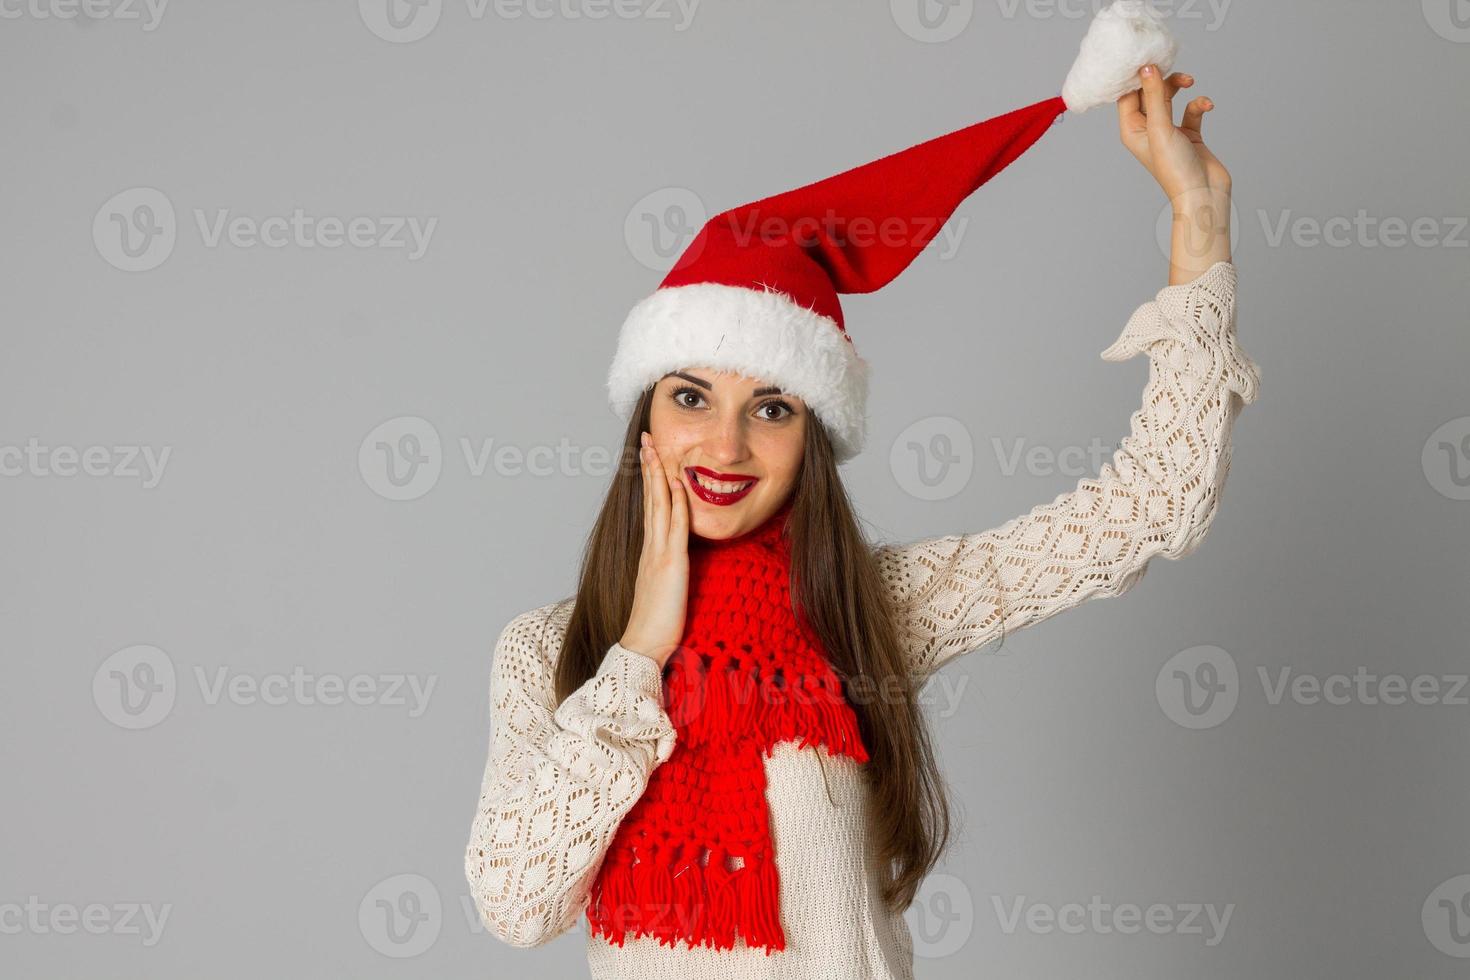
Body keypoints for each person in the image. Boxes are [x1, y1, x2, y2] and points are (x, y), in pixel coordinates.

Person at [465, 12, 1261, 980]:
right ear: (644, 418)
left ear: (815, 439)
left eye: (771, 406)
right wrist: (639, 652)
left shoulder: (864, 612)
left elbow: (1156, 503)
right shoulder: (553, 651)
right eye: (690, 396)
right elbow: (515, 900)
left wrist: (1198, 226)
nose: (724, 443)